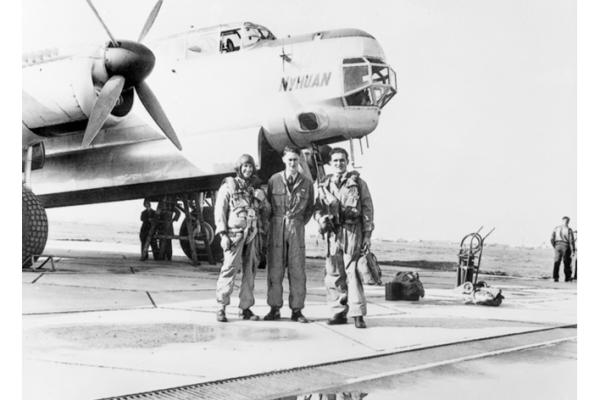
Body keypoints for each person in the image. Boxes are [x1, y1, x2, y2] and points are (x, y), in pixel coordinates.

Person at [313, 148, 374, 329]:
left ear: (347, 162)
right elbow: (317, 208)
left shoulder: (358, 183)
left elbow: (368, 209)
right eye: (335, 161)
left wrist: (367, 236)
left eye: (342, 160)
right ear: (330, 164)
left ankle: (357, 314)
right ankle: (338, 311)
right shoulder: (324, 185)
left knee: (353, 272)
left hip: (352, 231)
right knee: (333, 274)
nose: (338, 164)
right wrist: (320, 218)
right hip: (332, 233)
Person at [215, 155, 271, 323]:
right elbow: (220, 211)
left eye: (250, 167)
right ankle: (221, 307)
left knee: (250, 272)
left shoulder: (255, 189)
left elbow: (267, 212)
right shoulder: (229, 186)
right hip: (235, 235)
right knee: (229, 269)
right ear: (239, 168)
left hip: (253, 236)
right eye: (245, 166)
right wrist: (223, 235)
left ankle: (245, 307)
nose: (248, 170)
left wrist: (263, 200)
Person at [265, 146, 315, 324]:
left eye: (295, 159)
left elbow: (309, 208)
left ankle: (297, 310)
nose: (292, 163)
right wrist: (276, 224)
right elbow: (268, 206)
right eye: (289, 160)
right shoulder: (274, 180)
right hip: (277, 227)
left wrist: (297, 223)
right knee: (275, 270)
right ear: (284, 160)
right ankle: (274, 308)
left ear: (299, 160)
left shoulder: (306, 182)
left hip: (296, 227)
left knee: (297, 271)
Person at [551, 217, 576, 283]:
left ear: (562, 221)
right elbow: (571, 241)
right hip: (565, 246)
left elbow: (551, 239)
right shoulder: (569, 229)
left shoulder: (556, 228)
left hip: (557, 245)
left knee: (557, 262)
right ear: (568, 222)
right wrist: (573, 251)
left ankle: (555, 277)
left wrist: (555, 246)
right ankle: (567, 277)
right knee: (566, 262)